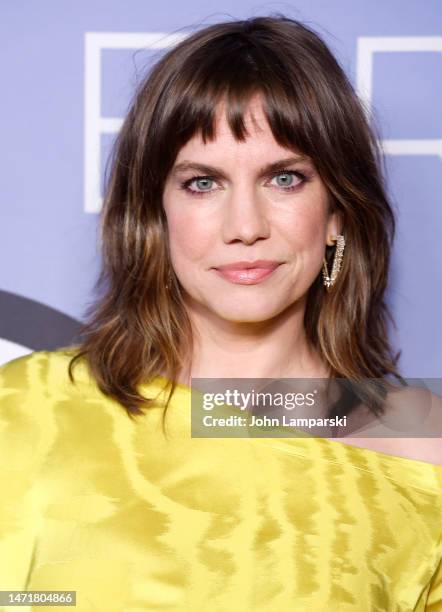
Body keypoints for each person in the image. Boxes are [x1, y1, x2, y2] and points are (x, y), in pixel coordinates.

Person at [1, 14, 441, 611]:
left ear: (337, 212)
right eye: (203, 183)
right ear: (154, 214)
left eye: (284, 178)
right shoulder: (26, 410)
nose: (245, 228)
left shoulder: (425, 448)